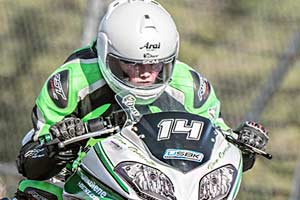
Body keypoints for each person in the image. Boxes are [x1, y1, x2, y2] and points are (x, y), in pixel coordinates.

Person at [14, 0, 269, 199]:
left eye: (156, 64)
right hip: (77, 183)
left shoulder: (191, 86)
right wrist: (60, 144)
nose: (146, 73)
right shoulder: (71, 81)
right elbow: (30, 160)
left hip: (158, 186)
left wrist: (244, 147)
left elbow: (217, 142)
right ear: (107, 53)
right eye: (132, 65)